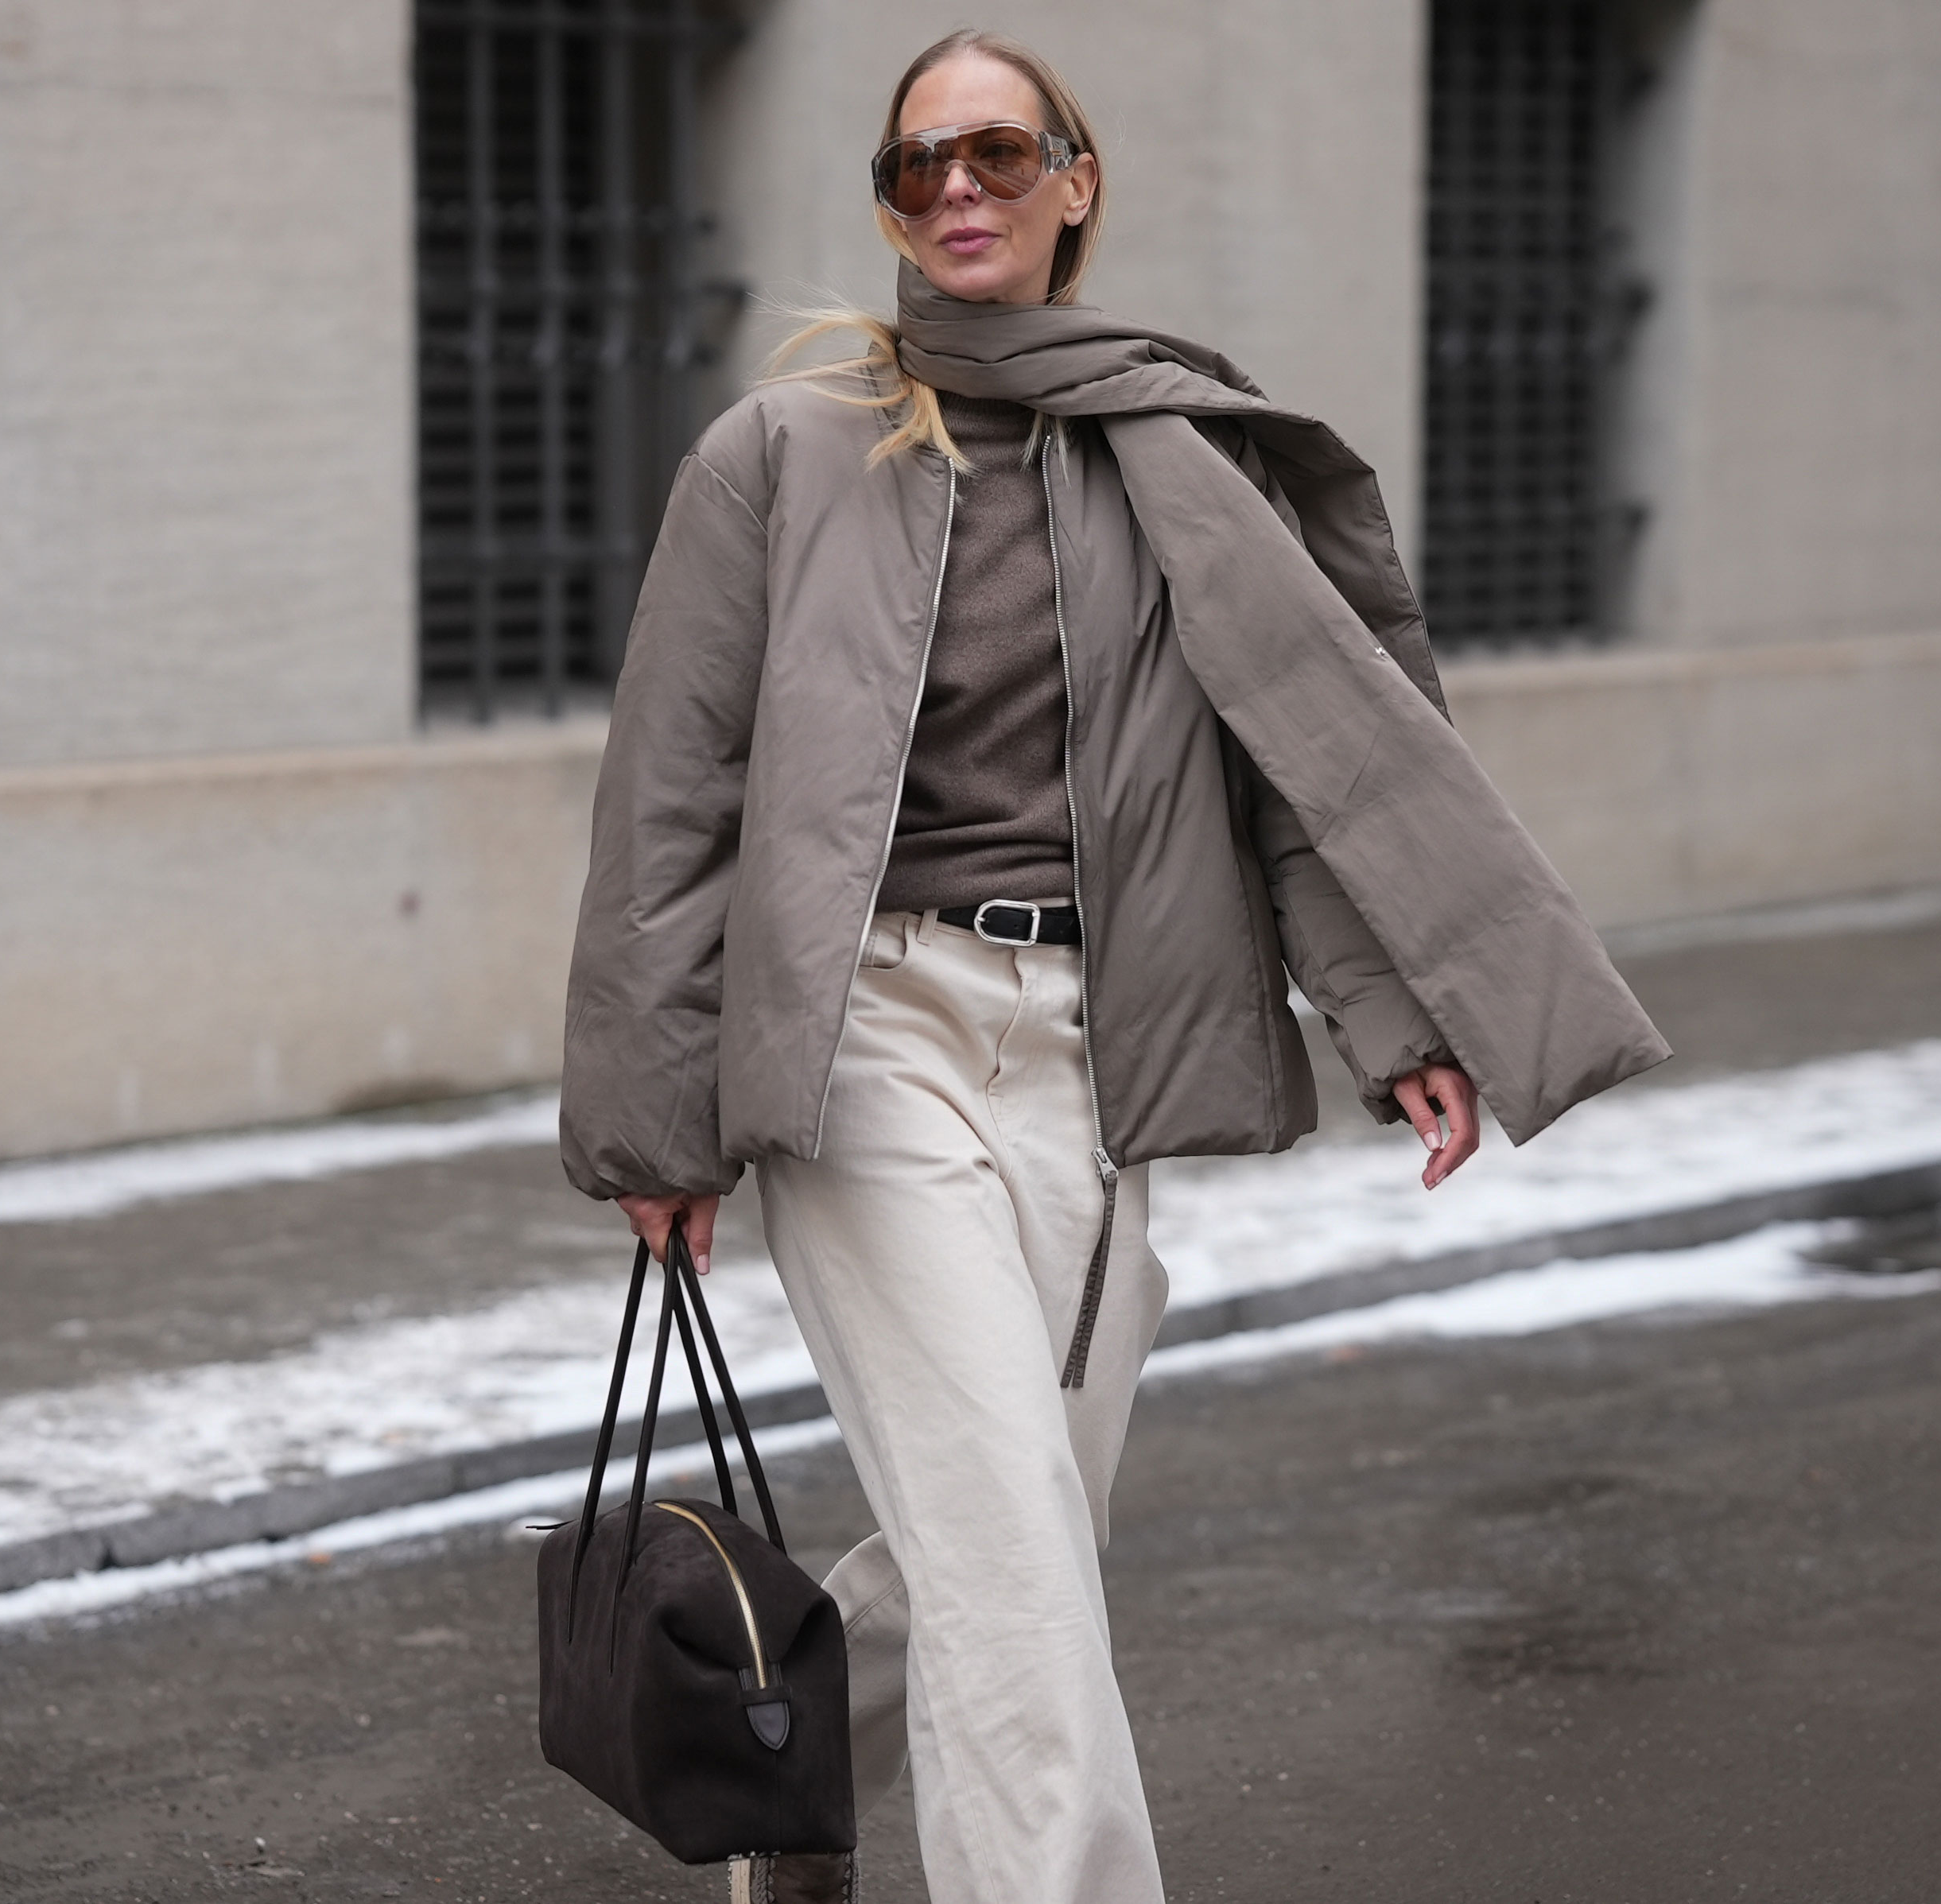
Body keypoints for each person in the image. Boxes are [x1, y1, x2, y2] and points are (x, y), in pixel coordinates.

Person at [558, 29, 1667, 1904]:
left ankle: (786, 1800)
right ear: (890, 207)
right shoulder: (781, 456)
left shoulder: (1165, 457)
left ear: (1077, 182)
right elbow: (670, 805)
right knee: (1006, 1550)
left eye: (999, 151)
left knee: (1012, 1543)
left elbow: (1289, 762)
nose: (959, 189)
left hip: (1094, 1043)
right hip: (864, 1042)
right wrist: (652, 1125)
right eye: (919, 166)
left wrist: (1387, 1013)